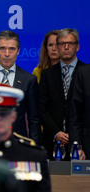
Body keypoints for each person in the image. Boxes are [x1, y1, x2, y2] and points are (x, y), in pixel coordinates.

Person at [40, 28, 86, 160]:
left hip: (82, 143)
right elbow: (42, 108)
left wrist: (78, 138)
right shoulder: (47, 75)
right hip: (53, 143)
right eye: (61, 44)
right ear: (58, 47)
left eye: (70, 43)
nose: (66, 47)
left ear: (77, 47)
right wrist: (56, 132)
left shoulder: (87, 72)